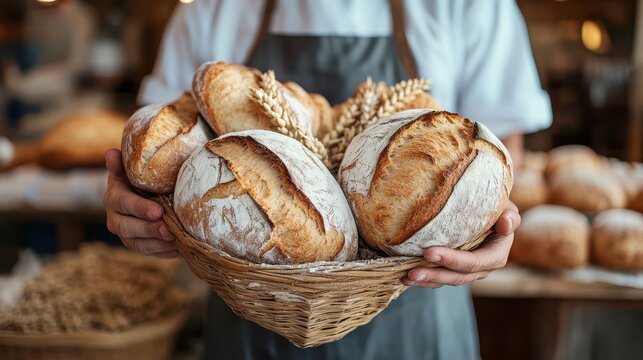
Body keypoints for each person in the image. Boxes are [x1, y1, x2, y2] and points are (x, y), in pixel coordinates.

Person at [104, 1, 551, 359]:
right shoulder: (210, 7)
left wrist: (491, 216)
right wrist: (137, 195)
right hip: (250, 323)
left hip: (418, 316)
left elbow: (498, 151)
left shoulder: (471, 5)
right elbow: (161, 148)